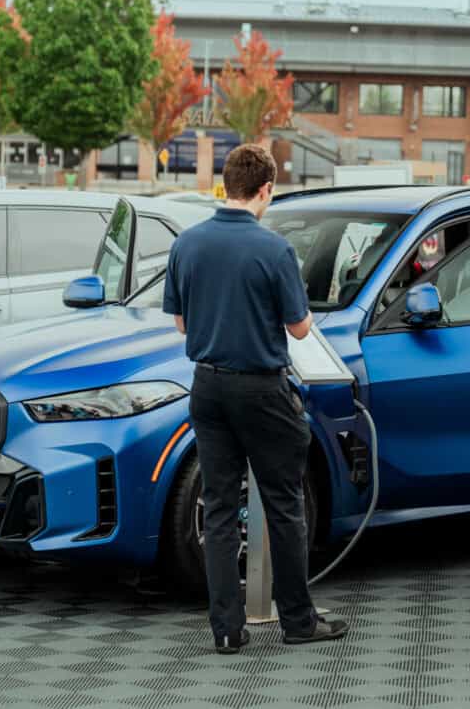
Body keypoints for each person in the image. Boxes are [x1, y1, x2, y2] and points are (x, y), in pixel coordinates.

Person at [163, 144, 349, 654]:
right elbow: (299, 325)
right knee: (285, 504)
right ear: (265, 189)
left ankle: (226, 629)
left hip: (208, 386)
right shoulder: (274, 250)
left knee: (219, 507)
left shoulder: (188, 244)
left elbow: (181, 321)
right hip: (262, 389)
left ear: (226, 184)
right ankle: (297, 621)